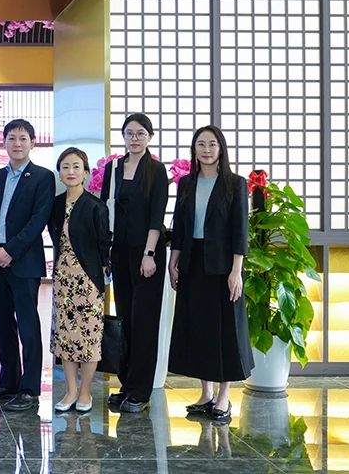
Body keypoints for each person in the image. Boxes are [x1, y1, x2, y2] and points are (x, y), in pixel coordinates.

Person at [168, 125, 253, 423]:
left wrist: (236, 271)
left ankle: (224, 396)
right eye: (201, 144)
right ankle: (206, 392)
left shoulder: (235, 184)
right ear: (194, 149)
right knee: (199, 328)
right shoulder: (186, 183)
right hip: (192, 263)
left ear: (221, 149)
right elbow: (180, 225)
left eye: (212, 144)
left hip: (223, 266)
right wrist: (173, 261)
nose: (206, 149)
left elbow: (240, 230)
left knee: (224, 329)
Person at [0, 119, 55, 412]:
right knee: (2, 323)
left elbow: (38, 220)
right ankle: (8, 382)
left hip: (24, 262)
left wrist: (11, 250)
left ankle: (29, 388)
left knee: (27, 325)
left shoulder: (43, 177)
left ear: (33, 142)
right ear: (5, 142)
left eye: (23, 138)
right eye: (12, 138)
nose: (17, 143)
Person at [100, 112, 170, 413]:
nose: (135, 138)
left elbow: (157, 215)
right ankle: (127, 385)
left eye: (141, 133)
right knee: (126, 318)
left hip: (147, 254)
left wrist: (149, 253)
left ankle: (142, 391)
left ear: (149, 137)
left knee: (145, 322)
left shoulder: (156, 170)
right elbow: (105, 209)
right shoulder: (113, 168)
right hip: (119, 252)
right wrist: (105, 251)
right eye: (129, 133)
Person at [48, 148, 111, 414]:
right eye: (65, 167)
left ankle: (85, 391)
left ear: (85, 173)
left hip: (88, 281)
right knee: (66, 337)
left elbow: (104, 245)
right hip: (63, 279)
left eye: (76, 166)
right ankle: (70, 390)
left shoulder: (96, 206)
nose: (71, 171)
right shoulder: (54, 204)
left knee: (88, 338)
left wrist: (103, 279)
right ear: (60, 173)